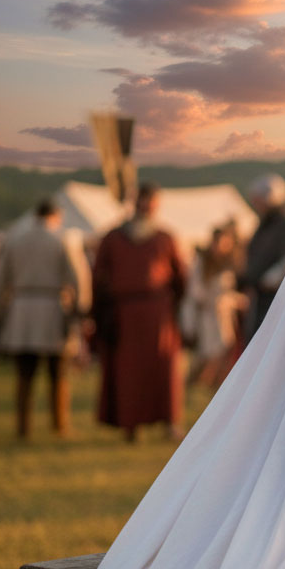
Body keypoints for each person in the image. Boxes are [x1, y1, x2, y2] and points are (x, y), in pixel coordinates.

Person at [93, 182, 187, 441]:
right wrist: (100, 313)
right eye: (145, 201)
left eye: (153, 202)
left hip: (158, 313)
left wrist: (173, 306)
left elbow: (181, 277)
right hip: (124, 314)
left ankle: (170, 422)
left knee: (163, 367)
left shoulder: (165, 238)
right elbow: (99, 277)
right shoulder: (112, 238)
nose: (148, 206)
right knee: (128, 371)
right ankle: (130, 424)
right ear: (136, 202)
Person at [0, 200, 87, 438]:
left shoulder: (15, 240)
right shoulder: (60, 240)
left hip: (22, 310)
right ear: (55, 215)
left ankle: (23, 427)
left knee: (24, 374)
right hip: (52, 308)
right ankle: (60, 425)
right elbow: (77, 277)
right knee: (58, 372)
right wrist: (80, 308)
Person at [240, 173, 285, 343]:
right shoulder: (267, 224)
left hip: (274, 298)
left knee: (265, 340)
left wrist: (264, 281)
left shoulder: (284, 226)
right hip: (261, 295)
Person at [185, 223, 245, 388]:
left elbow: (230, 290)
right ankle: (195, 385)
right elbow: (196, 291)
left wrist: (233, 301)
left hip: (224, 316)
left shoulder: (230, 263)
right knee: (206, 354)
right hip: (207, 315)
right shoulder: (202, 262)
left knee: (223, 351)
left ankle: (215, 386)